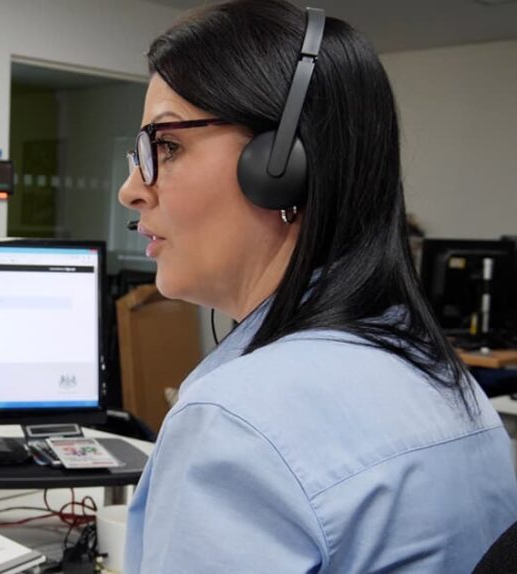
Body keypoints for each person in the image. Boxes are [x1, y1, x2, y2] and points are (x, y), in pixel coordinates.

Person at [117, 1, 517, 572]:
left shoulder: (235, 423)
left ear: (279, 166)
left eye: (167, 146)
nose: (131, 189)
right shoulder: (450, 384)